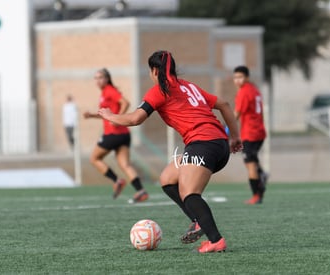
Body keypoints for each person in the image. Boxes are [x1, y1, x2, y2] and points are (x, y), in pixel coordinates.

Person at [98, 51, 242, 253]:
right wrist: (234, 137)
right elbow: (225, 105)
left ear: (154, 70)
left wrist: (109, 115)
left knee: (190, 193)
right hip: (218, 144)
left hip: (202, 143)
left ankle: (216, 240)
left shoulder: (159, 91)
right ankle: (198, 220)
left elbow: (134, 119)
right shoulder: (189, 86)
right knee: (167, 178)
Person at [83, 68, 148, 203]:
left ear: (107, 78)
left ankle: (116, 180)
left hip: (113, 134)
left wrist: (117, 119)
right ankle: (141, 191)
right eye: (96, 78)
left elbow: (125, 103)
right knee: (125, 164)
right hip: (124, 134)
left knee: (94, 158)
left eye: (100, 77)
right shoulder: (104, 93)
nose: (98, 80)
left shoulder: (109, 90)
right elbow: (107, 115)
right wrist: (92, 115)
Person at [233, 65, 268, 205]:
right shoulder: (255, 90)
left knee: (250, 163)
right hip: (259, 131)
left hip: (251, 133)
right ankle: (262, 175)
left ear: (247, 78)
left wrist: (226, 129)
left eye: (240, 77)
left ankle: (256, 195)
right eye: (235, 77)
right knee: (251, 160)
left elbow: (237, 113)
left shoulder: (244, 92)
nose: (237, 80)